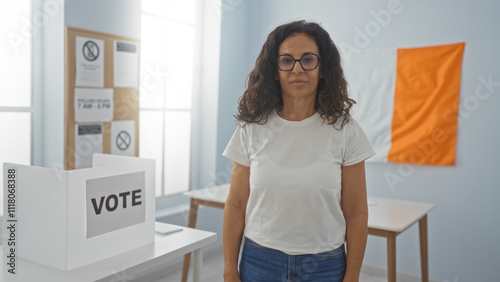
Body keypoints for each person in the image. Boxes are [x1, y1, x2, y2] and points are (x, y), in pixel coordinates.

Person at [222, 20, 375, 282]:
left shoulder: (345, 130)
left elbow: (356, 211)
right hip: (259, 261)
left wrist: (353, 275)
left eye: (307, 59)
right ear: (275, 69)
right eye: (286, 60)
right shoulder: (252, 128)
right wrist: (228, 269)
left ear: (323, 67)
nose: (297, 69)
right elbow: (236, 204)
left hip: (325, 264)